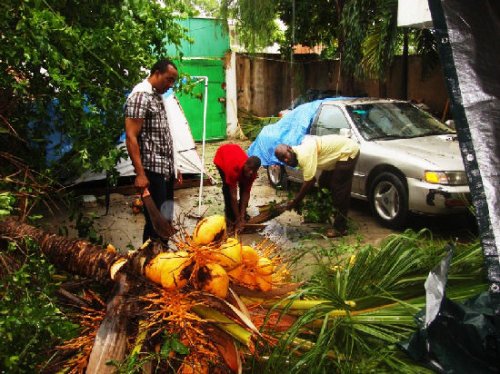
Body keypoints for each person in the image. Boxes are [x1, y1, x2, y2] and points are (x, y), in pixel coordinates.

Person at [125, 59, 180, 242]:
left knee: (165, 220)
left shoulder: (156, 96)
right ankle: (149, 262)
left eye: (173, 81)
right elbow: (131, 136)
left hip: (165, 169)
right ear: (156, 73)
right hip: (152, 171)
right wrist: (140, 174)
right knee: (155, 224)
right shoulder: (141, 96)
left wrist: (175, 167)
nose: (170, 84)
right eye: (168, 79)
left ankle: (162, 259)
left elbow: (164, 135)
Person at [274, 134, 360, 238]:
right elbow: (312, 179)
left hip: (348, 151)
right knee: (324, 183)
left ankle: (340, 228)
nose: (285, 160)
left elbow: (309, 182)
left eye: (285, 156)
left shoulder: (304, 155)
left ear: (289, 148)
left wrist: (295, 201)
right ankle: (322, 215)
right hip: (336, 156)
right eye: (282, 160)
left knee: (339, 189)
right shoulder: (297, 154)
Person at [213, 144, 261, 230]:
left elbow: (246, 193)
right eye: (249, 168)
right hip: (222, 156)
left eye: (253, 170)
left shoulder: (252, 174)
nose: (251, 172)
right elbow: (233, 196)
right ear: (245, 164)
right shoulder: (233, 170)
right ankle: (230, 217)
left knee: (244, 186)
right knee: (227, 189)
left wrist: (242, 216)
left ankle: (241, 214)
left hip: (235, 151)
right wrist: (238, 219)